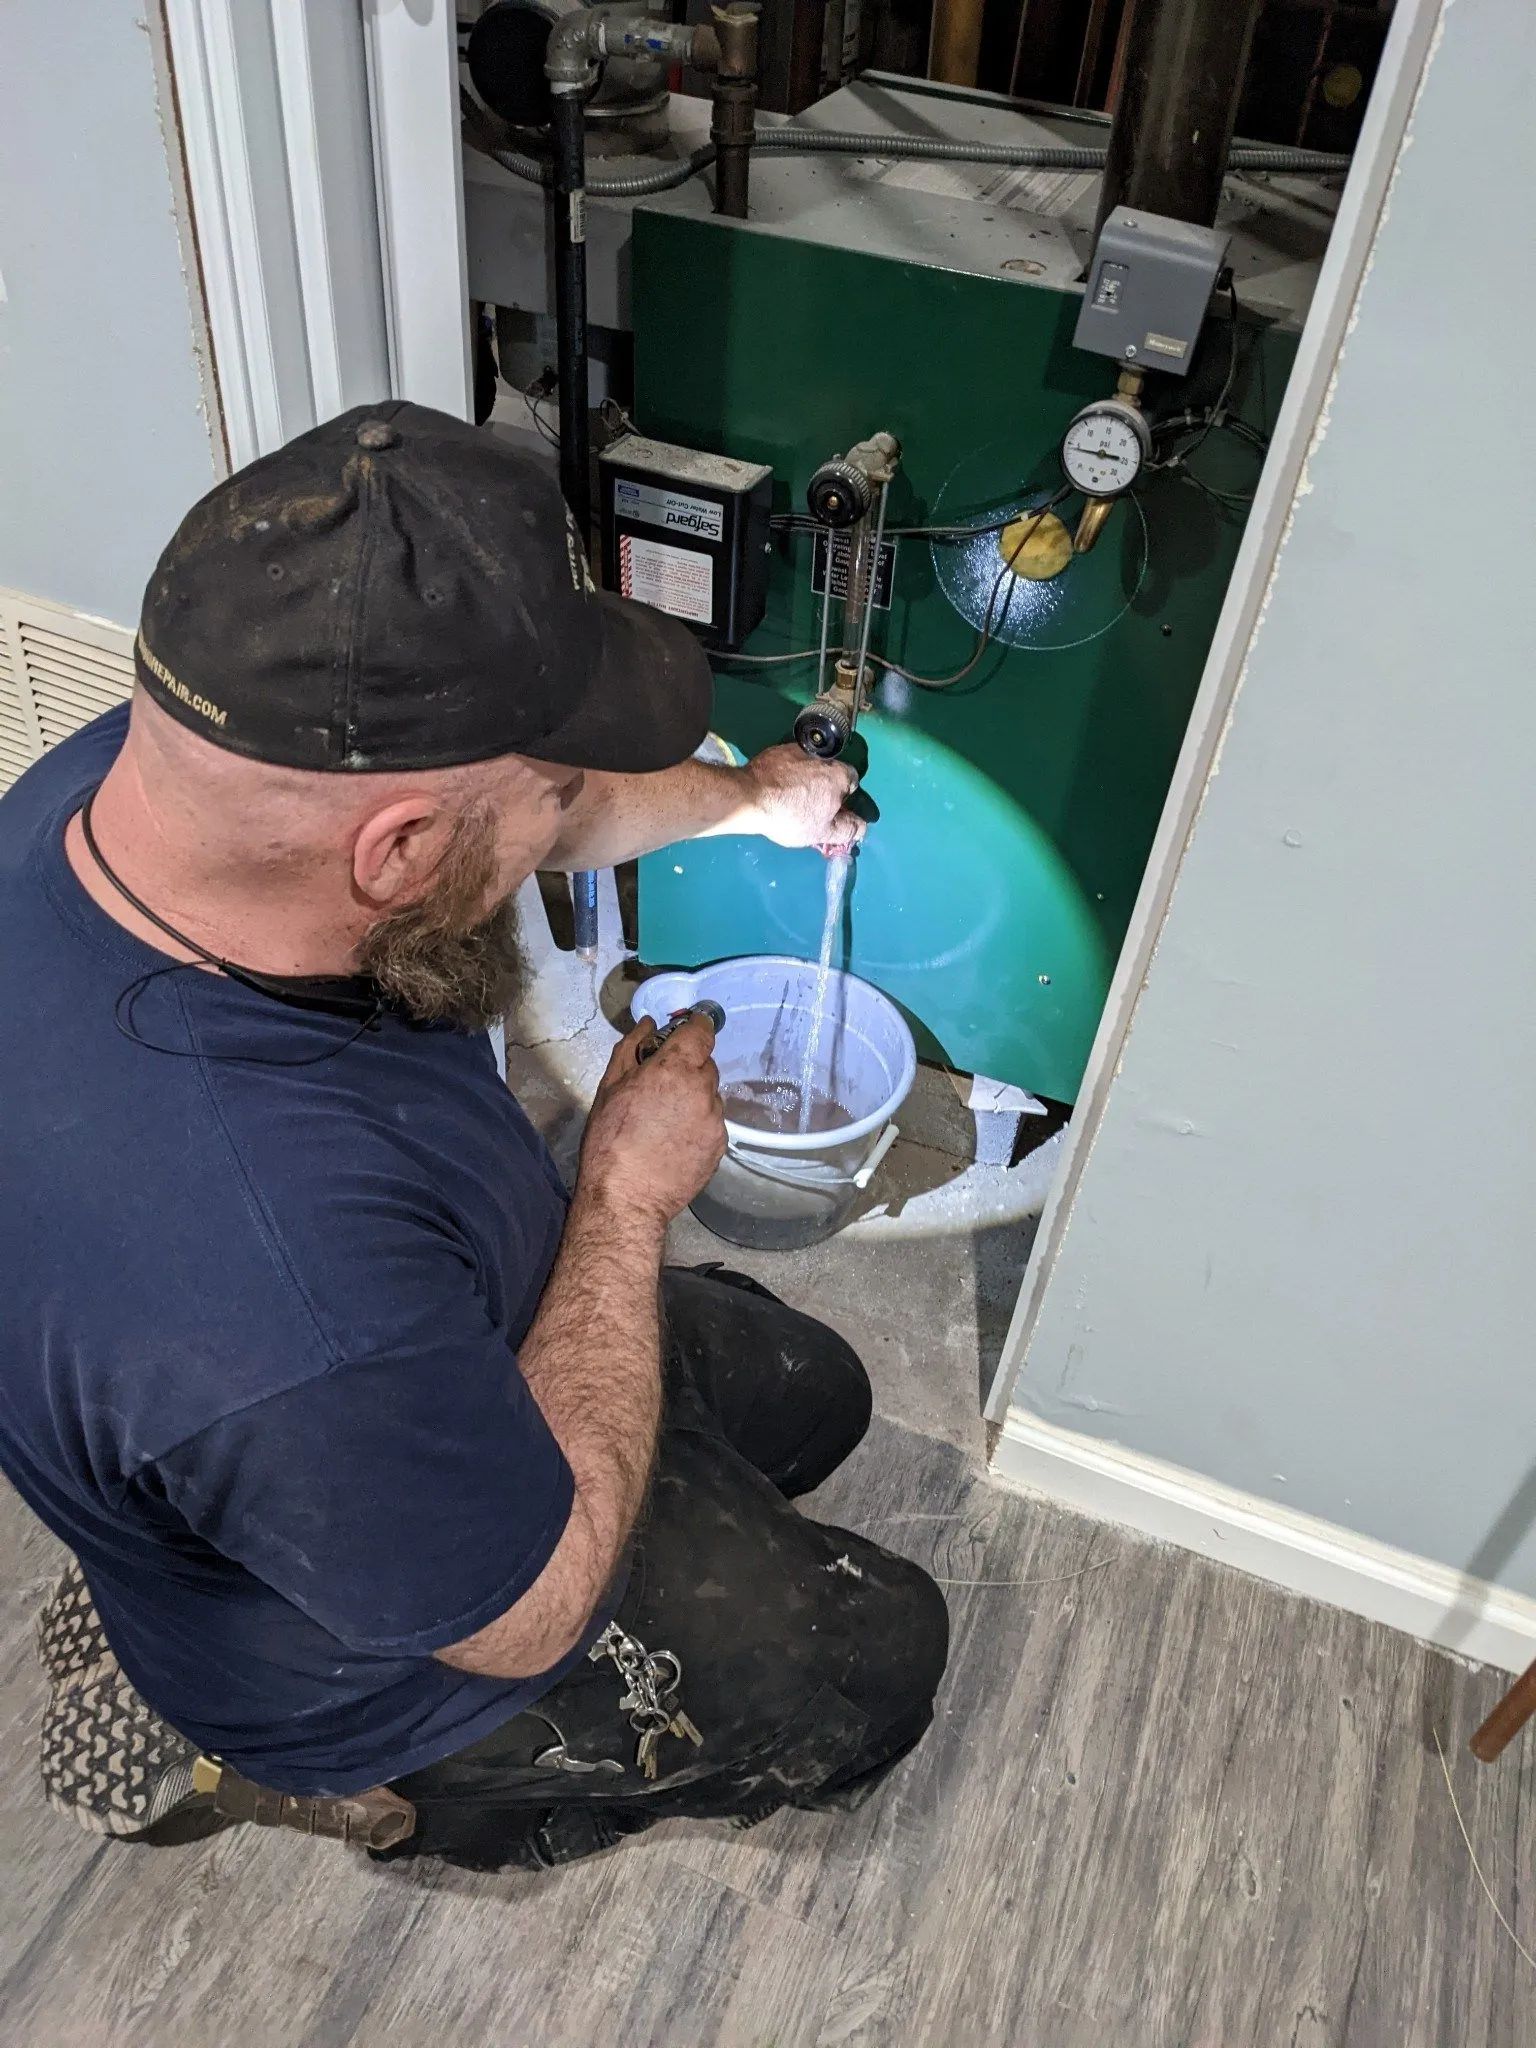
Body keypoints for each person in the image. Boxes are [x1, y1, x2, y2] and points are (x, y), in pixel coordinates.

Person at [0, 401, 949, 1870]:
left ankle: (199, 1541)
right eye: (549, 791)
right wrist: (624, 1205)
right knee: (877, 1662)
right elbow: (535, 1614)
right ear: (398, 853)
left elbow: (520, 813)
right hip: (396, 1646)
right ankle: (323, 1779)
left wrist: (749, 805)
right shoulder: (266, 1302)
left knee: (812, 1399)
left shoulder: (148, 791)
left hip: (411, 1363)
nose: (565, 814)